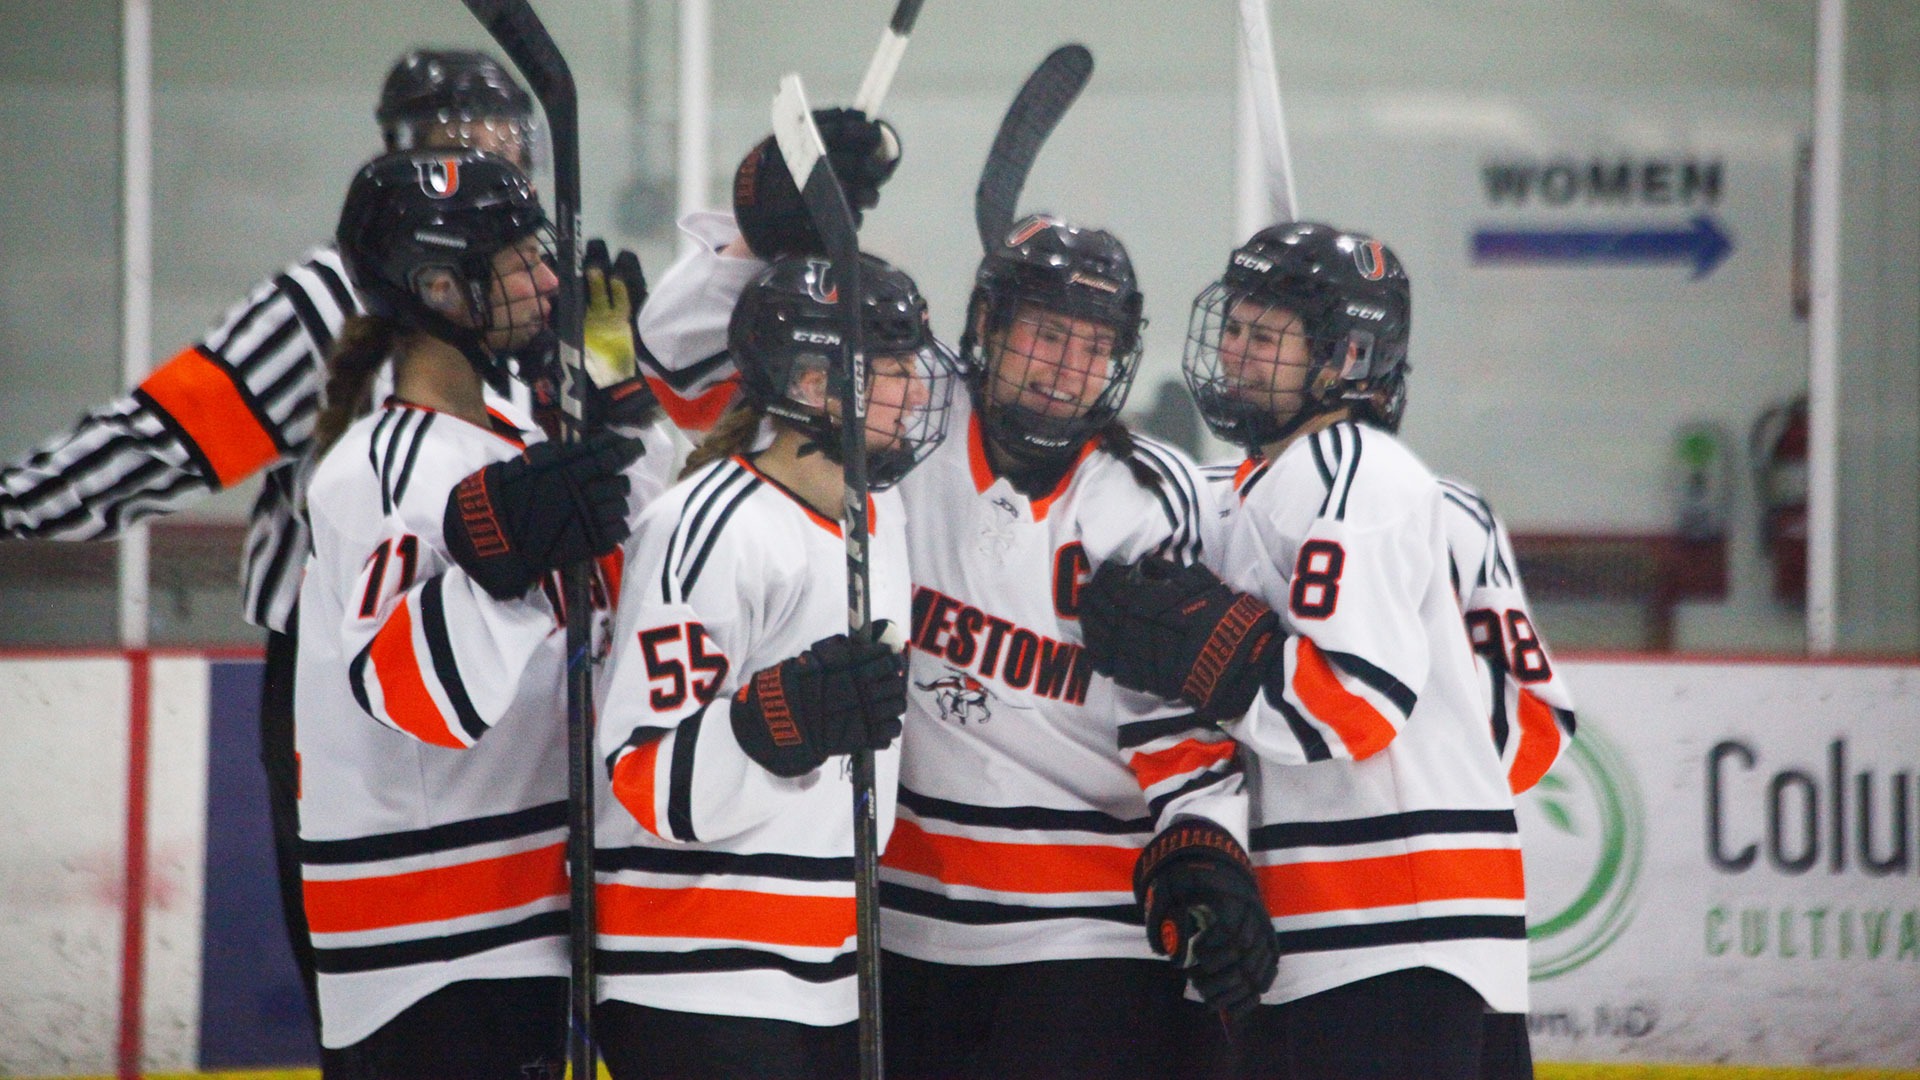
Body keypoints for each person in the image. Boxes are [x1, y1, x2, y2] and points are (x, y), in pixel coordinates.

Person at [634, 108, 1268, 1071]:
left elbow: (1180, 735)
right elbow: (680, 374)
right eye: (1044, 332)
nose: (1065, 368)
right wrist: (762, 236)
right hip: (896, 928)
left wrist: (1207, 849)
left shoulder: (1148, 500)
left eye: (1091, 345)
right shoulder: (894, 420)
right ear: (985, 327)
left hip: (1085, 932)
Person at [0, 48, 543, 1029]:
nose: (480, 166)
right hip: (351, 686)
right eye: (452, 144)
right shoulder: (331, 299)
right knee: (385, 996)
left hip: (507, 693)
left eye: (500, 143)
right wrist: (12, 504)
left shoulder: (535, 302)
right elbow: (155, 440)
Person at [1077, 221, 1532, 1080]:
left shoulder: (1360, 471)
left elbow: (1352, 707)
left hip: (1401, 936)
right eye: (1236, 328)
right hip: (1335, 936)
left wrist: (1204, 650)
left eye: (1267, 336)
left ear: (1344, 358)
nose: (1238, 353)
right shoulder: (1269, 480)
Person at [293, 147, 663, 1077]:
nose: (550, 280)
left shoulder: (515, 439)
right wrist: (496, 566)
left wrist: (618, 399)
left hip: (527, 930)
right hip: (431, 961)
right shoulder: (378, 473)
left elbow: (655, 561)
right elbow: (414, 696)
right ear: (439, 287)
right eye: (519, 263)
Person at [592, 252, 954, 1080]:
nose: (915, 390)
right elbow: (642, 772)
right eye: (889, 369)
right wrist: (771, 724)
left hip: (827, 975)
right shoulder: (709, 525)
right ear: (814, 384)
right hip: (694, 976)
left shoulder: (880, 515)